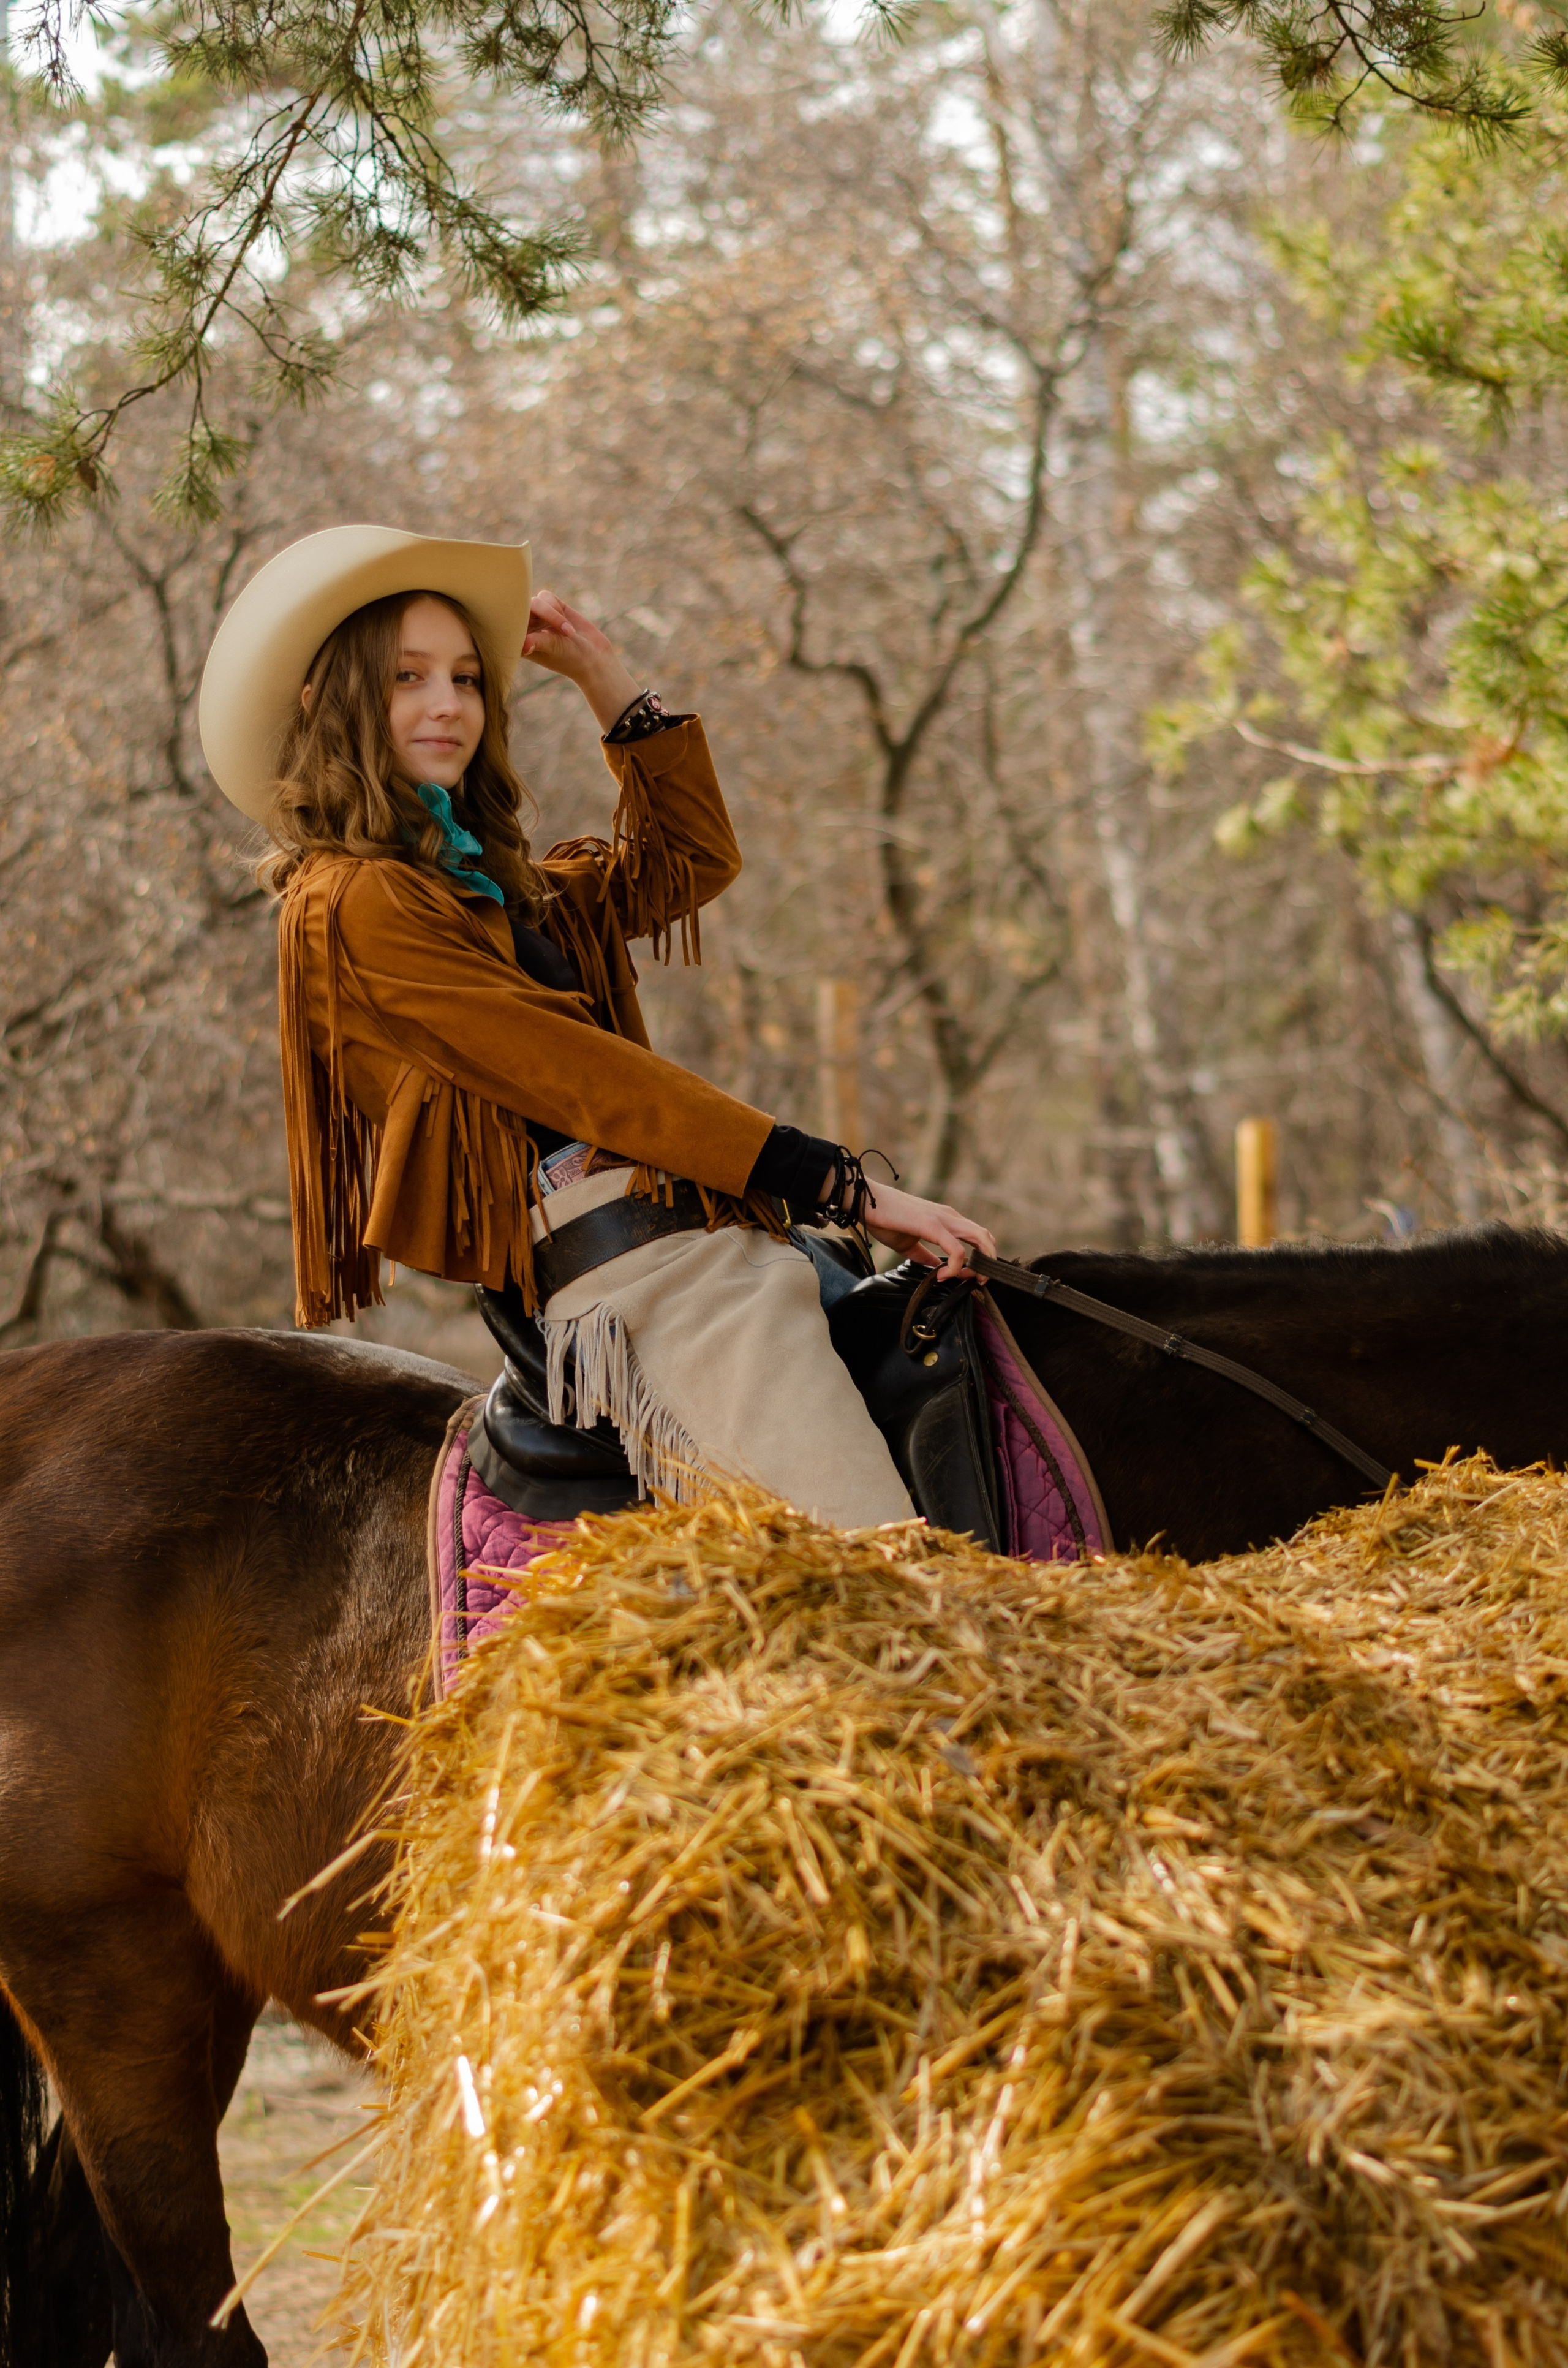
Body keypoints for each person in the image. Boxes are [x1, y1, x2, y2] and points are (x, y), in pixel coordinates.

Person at [198, 526, 997, 1527]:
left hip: (704, 1230)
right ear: (328, 699)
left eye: (466, 677)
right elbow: (584, 1076)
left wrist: (601, 675)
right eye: (406, 677)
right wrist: (845, 1185)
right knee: (877, 1558)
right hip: (636, 1274)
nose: (448, 703)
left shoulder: (497, 888)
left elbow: (691, 862)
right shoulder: (355, 903)